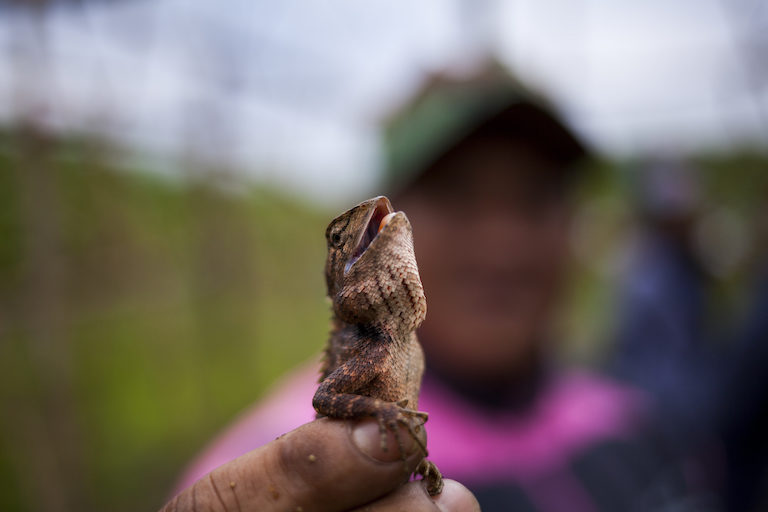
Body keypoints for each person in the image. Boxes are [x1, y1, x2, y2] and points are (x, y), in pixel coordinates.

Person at [168, 60, 711, 511]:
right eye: (455, 195)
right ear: (386, 229)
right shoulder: (278, 455)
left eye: (535, 198)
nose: (503, 247)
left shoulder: (631, 422)